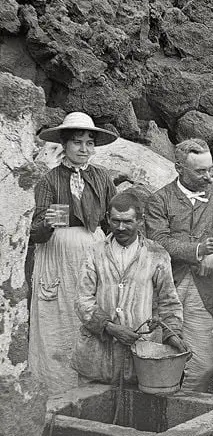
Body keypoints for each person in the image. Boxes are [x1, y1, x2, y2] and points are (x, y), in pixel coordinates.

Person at [28, 111, 117, 394]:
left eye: (89, 143)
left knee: (91, 309)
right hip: (58, 255)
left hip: (94, 251)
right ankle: (57, 386)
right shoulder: (49, 181)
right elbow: (34, 231)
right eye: (77, 142)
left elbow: (114, 217)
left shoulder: (102, 177)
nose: (84, 149)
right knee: (61, 313)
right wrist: (47, 223)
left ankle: (91, 381)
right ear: (64, 145)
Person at [145, 139, 213, 394]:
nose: (208, 177)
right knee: (161, 356)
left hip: (201, 290)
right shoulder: (159, 200)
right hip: (166, 287)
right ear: (178, 168)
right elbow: (159, 242)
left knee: (203, 365)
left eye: (210, 169)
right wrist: (198, 251)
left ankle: (186, 406)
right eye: (200, 171)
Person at [72, 193, 186, 385]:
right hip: (98, 357)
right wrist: (110, 327)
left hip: (140, 356)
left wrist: (172, 335)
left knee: (136, 410)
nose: (121, 227)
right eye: (115, 221)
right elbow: (83, 300)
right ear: (108, 218)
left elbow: (169, 302)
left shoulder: (156, 254)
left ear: (140, 221)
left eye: (127, 221)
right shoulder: (94, 252)